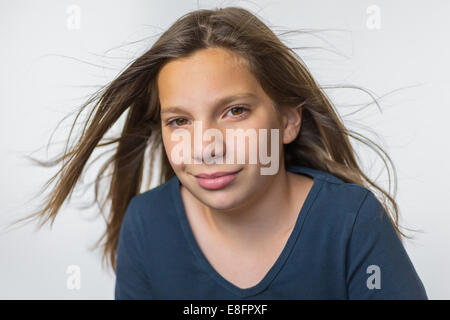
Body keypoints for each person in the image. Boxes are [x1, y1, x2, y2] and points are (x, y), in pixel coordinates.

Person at [14, 7, 428, 299]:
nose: (206, 146)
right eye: (179, 121)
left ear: (288, 120)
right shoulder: (147, 225)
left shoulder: (352, 222)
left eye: (234, 112)